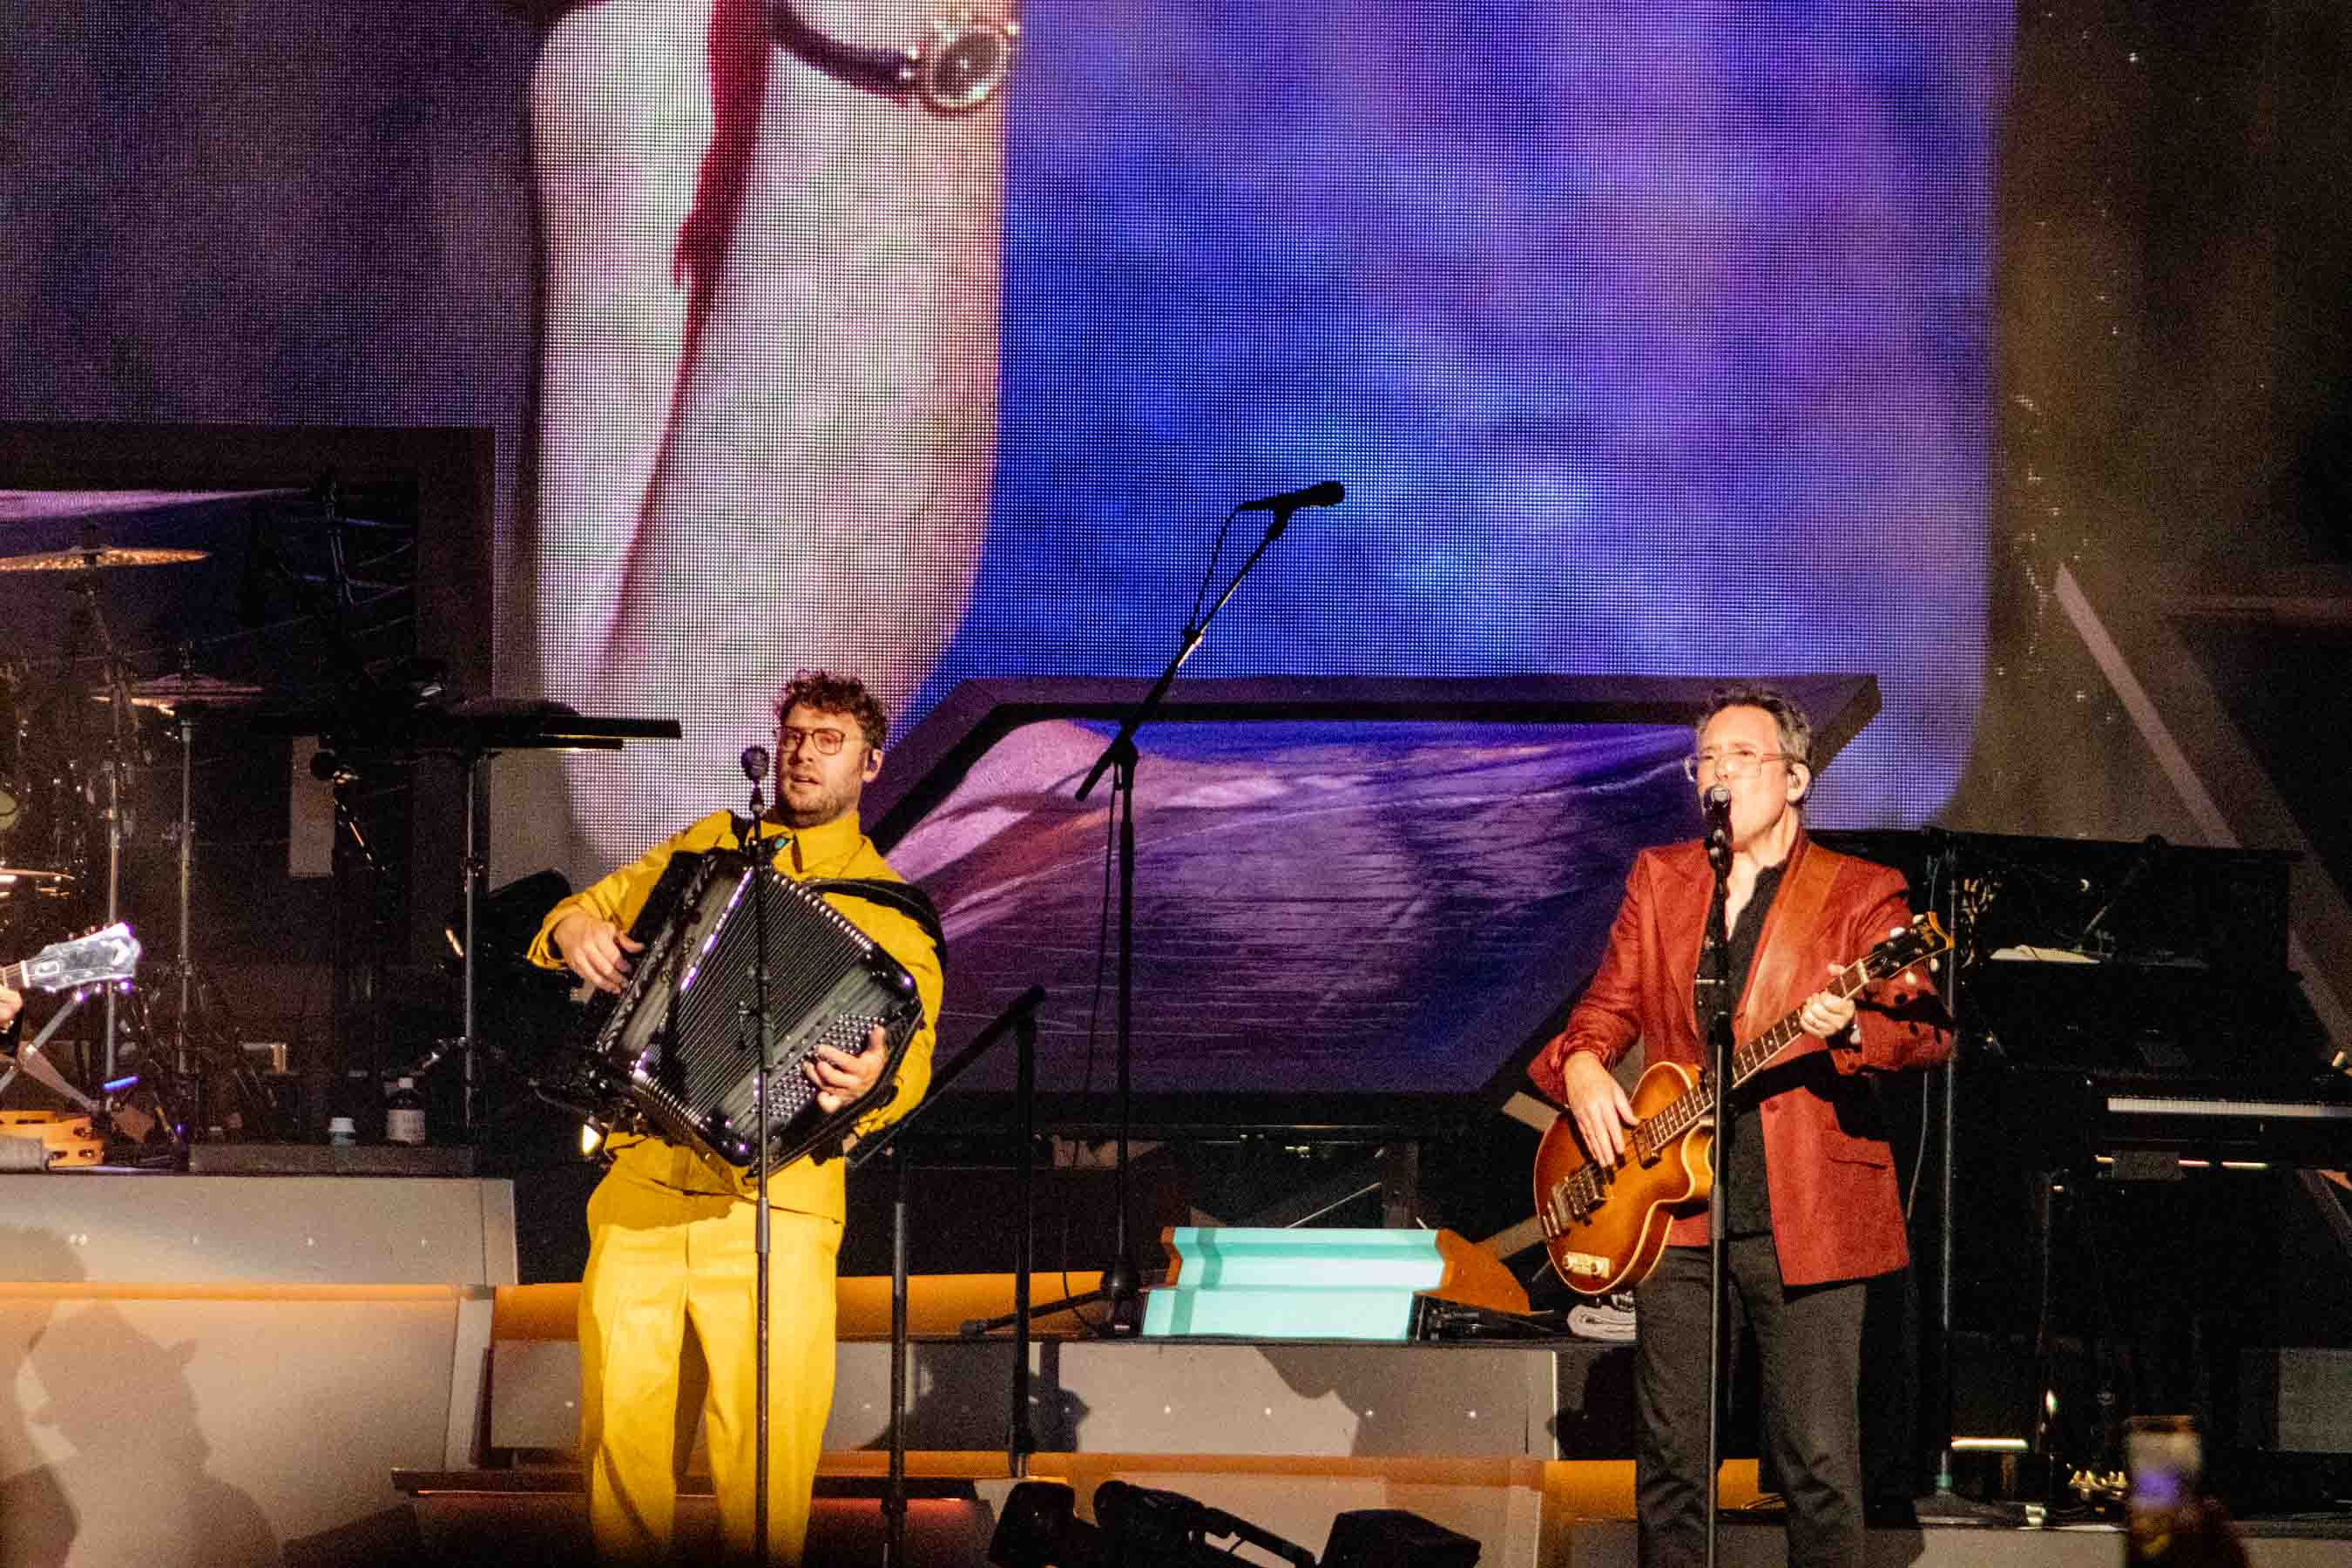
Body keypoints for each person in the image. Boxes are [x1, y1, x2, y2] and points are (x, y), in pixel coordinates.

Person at [1528, 685, 1950, 1568]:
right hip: (1675, 1213)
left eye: (1742, 757)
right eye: (1707, 760)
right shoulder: (1665, 877)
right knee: (1672, 1466)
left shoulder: (1861, 892)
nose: (1720, 774)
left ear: (1795, 779)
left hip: (1806, 1210)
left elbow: (1926, 1030)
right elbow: (1605, 1008)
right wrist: (1582, 1066)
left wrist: (1852, 1029)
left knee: (1816, 1464)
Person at [530, 669, 943, 1565]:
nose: (802, 754)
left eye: (827, 740)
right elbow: (582, 911)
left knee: (764, 1465)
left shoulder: (896, 913)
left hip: (776, 1209)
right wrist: (572, 932)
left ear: (870, 764)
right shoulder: (713, 844)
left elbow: (909, 1060)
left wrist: (870, 1080)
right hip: (642, 1192)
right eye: (794, 735)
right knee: (620, 1449)